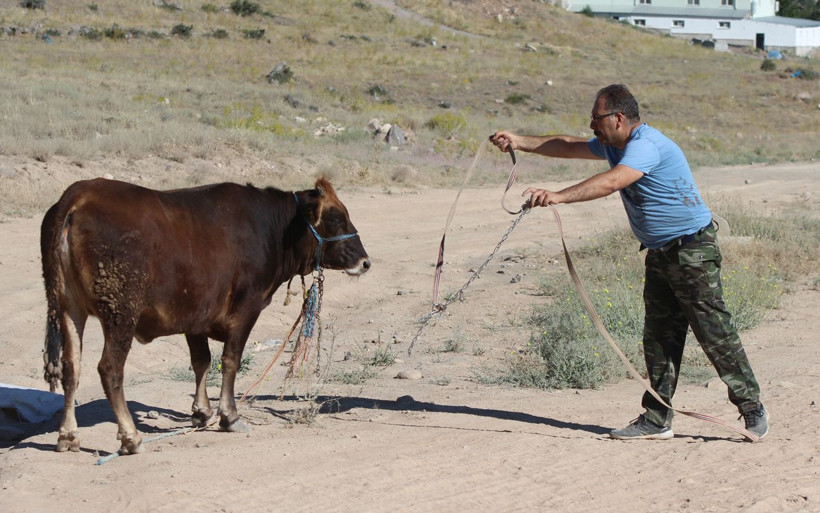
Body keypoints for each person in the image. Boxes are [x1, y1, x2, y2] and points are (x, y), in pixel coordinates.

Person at [490, 84, 768, 441]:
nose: (591, 125)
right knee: (659, 337)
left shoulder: (645, 146)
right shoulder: (613, 143)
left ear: (618, 118)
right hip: (660, 252)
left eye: (596, 118)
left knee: (713, 332)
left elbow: (613, 182)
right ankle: (657, 418)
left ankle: (752, 409)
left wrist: (558, 195)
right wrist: (519, 141)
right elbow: (569, 144)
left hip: (692, 251)